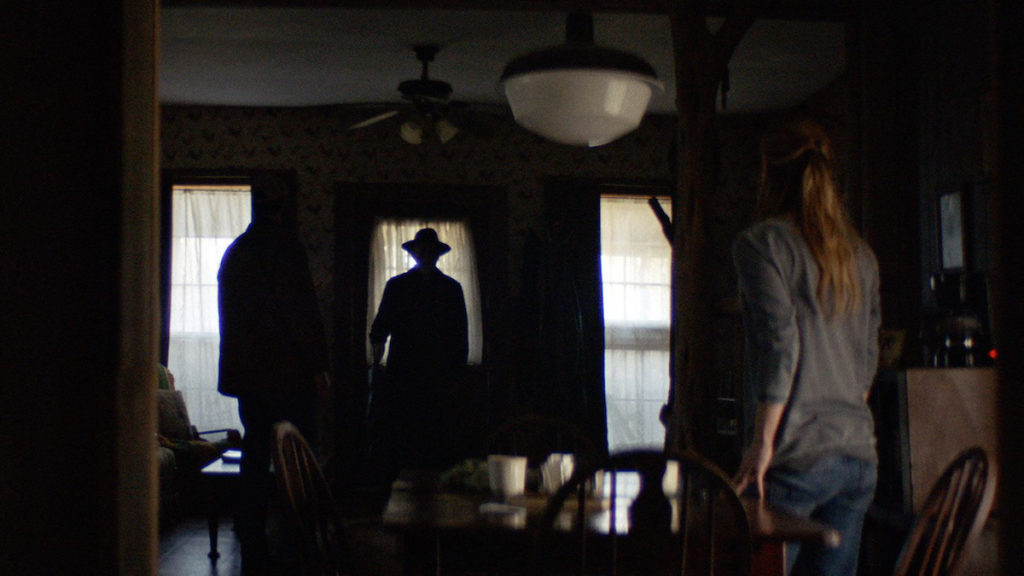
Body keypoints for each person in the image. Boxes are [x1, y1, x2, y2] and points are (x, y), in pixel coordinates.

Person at [731, 119, 881, 576]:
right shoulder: (861, 255)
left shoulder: (761, 245)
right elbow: (867, 364)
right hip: (858, 458)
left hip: (794, 458)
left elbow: (781, 346)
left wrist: (762, 445)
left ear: (768, 173)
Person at [217, 174, 330, 575]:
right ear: (283, 206)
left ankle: (250, 533)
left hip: (249, 379)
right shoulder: (285, 248)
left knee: (255, 454)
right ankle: (294, 540)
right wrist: (317, 366)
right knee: (295, 458)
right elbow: (301, 313)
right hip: (287, 376)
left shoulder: (236, 251)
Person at [368, 228, 468, 484]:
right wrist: (377, 354)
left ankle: (433, 488)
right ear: (414, 253)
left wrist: (457, 374)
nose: (425, 255)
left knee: (435, 434)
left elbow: (460, 335)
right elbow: (381, 324)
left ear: (437, 254)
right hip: (404, 370)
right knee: (404, 432)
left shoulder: (451, 288)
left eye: (430, 251)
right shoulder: (397, 285)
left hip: (438, 373)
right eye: (421, 250)